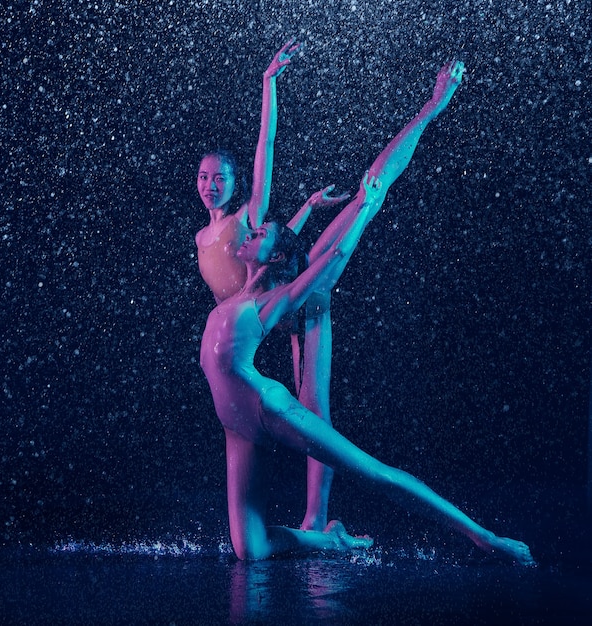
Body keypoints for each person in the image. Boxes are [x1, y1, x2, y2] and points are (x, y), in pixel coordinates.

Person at [200, 60, 536, 566]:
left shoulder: (282, 284)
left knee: (367, 464)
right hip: (241, 406)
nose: (252, 228)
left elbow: (297, 172)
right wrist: (308, 209)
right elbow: (278, 242)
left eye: (259, 230)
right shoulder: (240, 276)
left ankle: (481, 538)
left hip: (277, 365)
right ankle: (322, 535)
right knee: (253, 548)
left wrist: (432, 105)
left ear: (267, 253)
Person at [195, 39, 349, 532]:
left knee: (313, 405)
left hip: (293, 307)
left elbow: (267, 150)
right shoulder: (201, 237)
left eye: (220, 177)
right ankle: (264, 511)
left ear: (234, 184)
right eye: (203, 177)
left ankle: (317, 517)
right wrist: (305, 206)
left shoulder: (248, 217)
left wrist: (268, 85)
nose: (210, 184)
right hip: (257, 321)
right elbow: (276, 250)